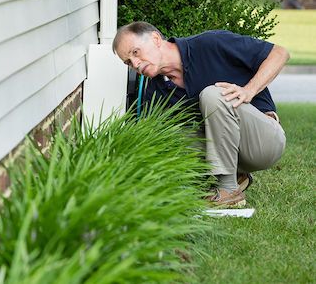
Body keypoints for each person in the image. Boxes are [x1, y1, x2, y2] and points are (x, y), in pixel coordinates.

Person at [112, 21, 288, 207]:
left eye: (136, 52)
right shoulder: (156, 92)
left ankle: (228, 191)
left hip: (263, 142)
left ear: (155, 39)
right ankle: (233, 176)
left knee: (213, 95)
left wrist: (248, 91)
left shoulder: (211, 44)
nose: (136, 64)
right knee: (161, 136)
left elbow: (280, 53)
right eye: (128, 62)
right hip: (230, 152)